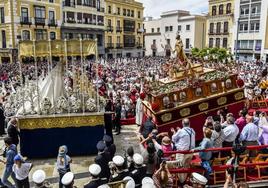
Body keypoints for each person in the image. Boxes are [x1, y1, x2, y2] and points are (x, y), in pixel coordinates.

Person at [171, 118, 195, 183]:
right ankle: (185, 180)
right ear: (189, 123)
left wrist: (174, 132)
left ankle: (182, 182)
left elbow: (173, 139)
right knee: (186, 165)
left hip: (182, 153)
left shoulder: (181, 131)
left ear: (182, 124)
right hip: (190, 152)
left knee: (180, 166)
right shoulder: (192, 130)